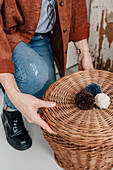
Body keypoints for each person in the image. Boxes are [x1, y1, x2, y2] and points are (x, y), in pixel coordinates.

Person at [0, 0, 93, 151]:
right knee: (36, 75)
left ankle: (16, 77)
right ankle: (9, 112)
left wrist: (84, 51)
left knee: (47, 98)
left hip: (42, 37)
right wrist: (13, 93)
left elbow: (76, 3)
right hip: (10, 35)